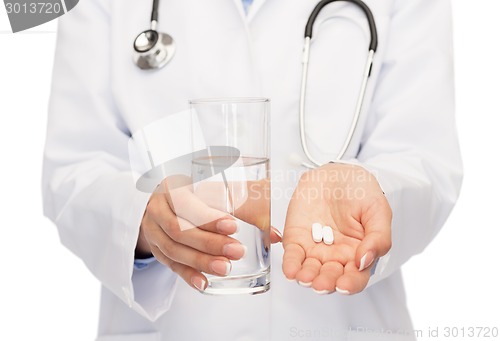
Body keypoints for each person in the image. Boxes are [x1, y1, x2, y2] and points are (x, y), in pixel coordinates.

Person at [42, 0, 462, 340]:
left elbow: (424, 158)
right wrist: (141, 216)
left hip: (338, 322)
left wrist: (375, 191)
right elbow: (73, 167)